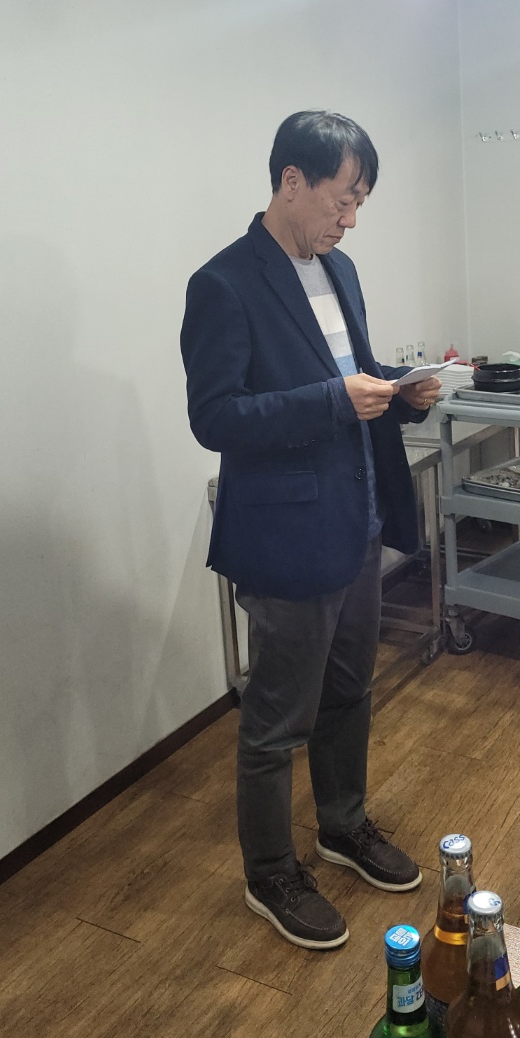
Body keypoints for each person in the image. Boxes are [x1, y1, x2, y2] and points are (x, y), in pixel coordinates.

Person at [181, 110, 441, 950]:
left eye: (360, 202)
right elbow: (215, 416)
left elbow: (349, 373)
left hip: (356, 518)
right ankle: (269, 871)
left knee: (351, 688)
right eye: (343, 198)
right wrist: (334, 400)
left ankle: (342, 823)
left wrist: (401, 386)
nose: (351, 218)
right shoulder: (224, 283)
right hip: (286, 535)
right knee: (274, 717)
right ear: (291, 181)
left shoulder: (340, 269)